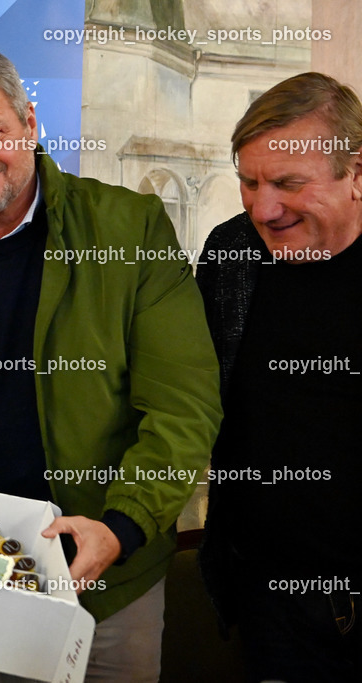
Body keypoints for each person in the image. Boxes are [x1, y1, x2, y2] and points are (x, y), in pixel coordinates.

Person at [0, 45, 222, 681]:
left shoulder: (129, 229)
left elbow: (183, 404)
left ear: (30, 123)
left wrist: (124, 526)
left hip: (112, 574)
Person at [197, 72, 362, 682]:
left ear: (358, 173)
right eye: (249, 181)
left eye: (288, 183)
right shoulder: (231, 253)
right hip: (273, 604)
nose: (263, 207)